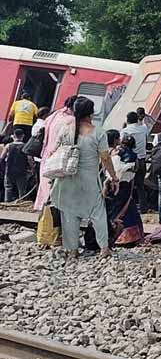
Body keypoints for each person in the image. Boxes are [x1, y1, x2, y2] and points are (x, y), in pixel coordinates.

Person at [50, 97, 119, 259]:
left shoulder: (65, 129)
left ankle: (73, 250)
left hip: (66, 178)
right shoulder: (98, 132)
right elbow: (105, 158)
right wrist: (114, 177)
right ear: (92, 112)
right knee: (98, 213)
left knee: (69, 214)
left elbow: (54, 151)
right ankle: (104, 248)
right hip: (88, 180)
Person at [35, 96, 77, 211]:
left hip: (46, 152)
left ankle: (41, 206)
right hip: (59, 155)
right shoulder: (71, 119)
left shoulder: (53, 115)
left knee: (44, 181)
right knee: (55, 183)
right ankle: (51, 208)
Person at [104, 133, 144, 247]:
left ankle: (116, 236)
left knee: (115, 210)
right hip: (125, 186)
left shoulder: (115, 154)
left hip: (115, 185)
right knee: (128, 210)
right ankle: (132, 237)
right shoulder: (133, 156)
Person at [120, 111, 149, 212]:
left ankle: (127, 208)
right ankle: (143, 208)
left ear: (127, 120)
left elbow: (121, 144)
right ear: (137, 119)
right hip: (141, 160)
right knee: (141, 186)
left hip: (130, 162)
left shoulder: (125, 131)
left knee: (128, 186)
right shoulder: (144, 128)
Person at [1, 129, 30, 202]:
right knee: (22, 190)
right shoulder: (25, 146)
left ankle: (7, 203)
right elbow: (29, 159)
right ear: (23, 136)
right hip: (22, 171)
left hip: (9, 170)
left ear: (13, 136)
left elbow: (2, 157)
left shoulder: (8, 146)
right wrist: (32, 168)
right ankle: (21, 203)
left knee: (8, 188)